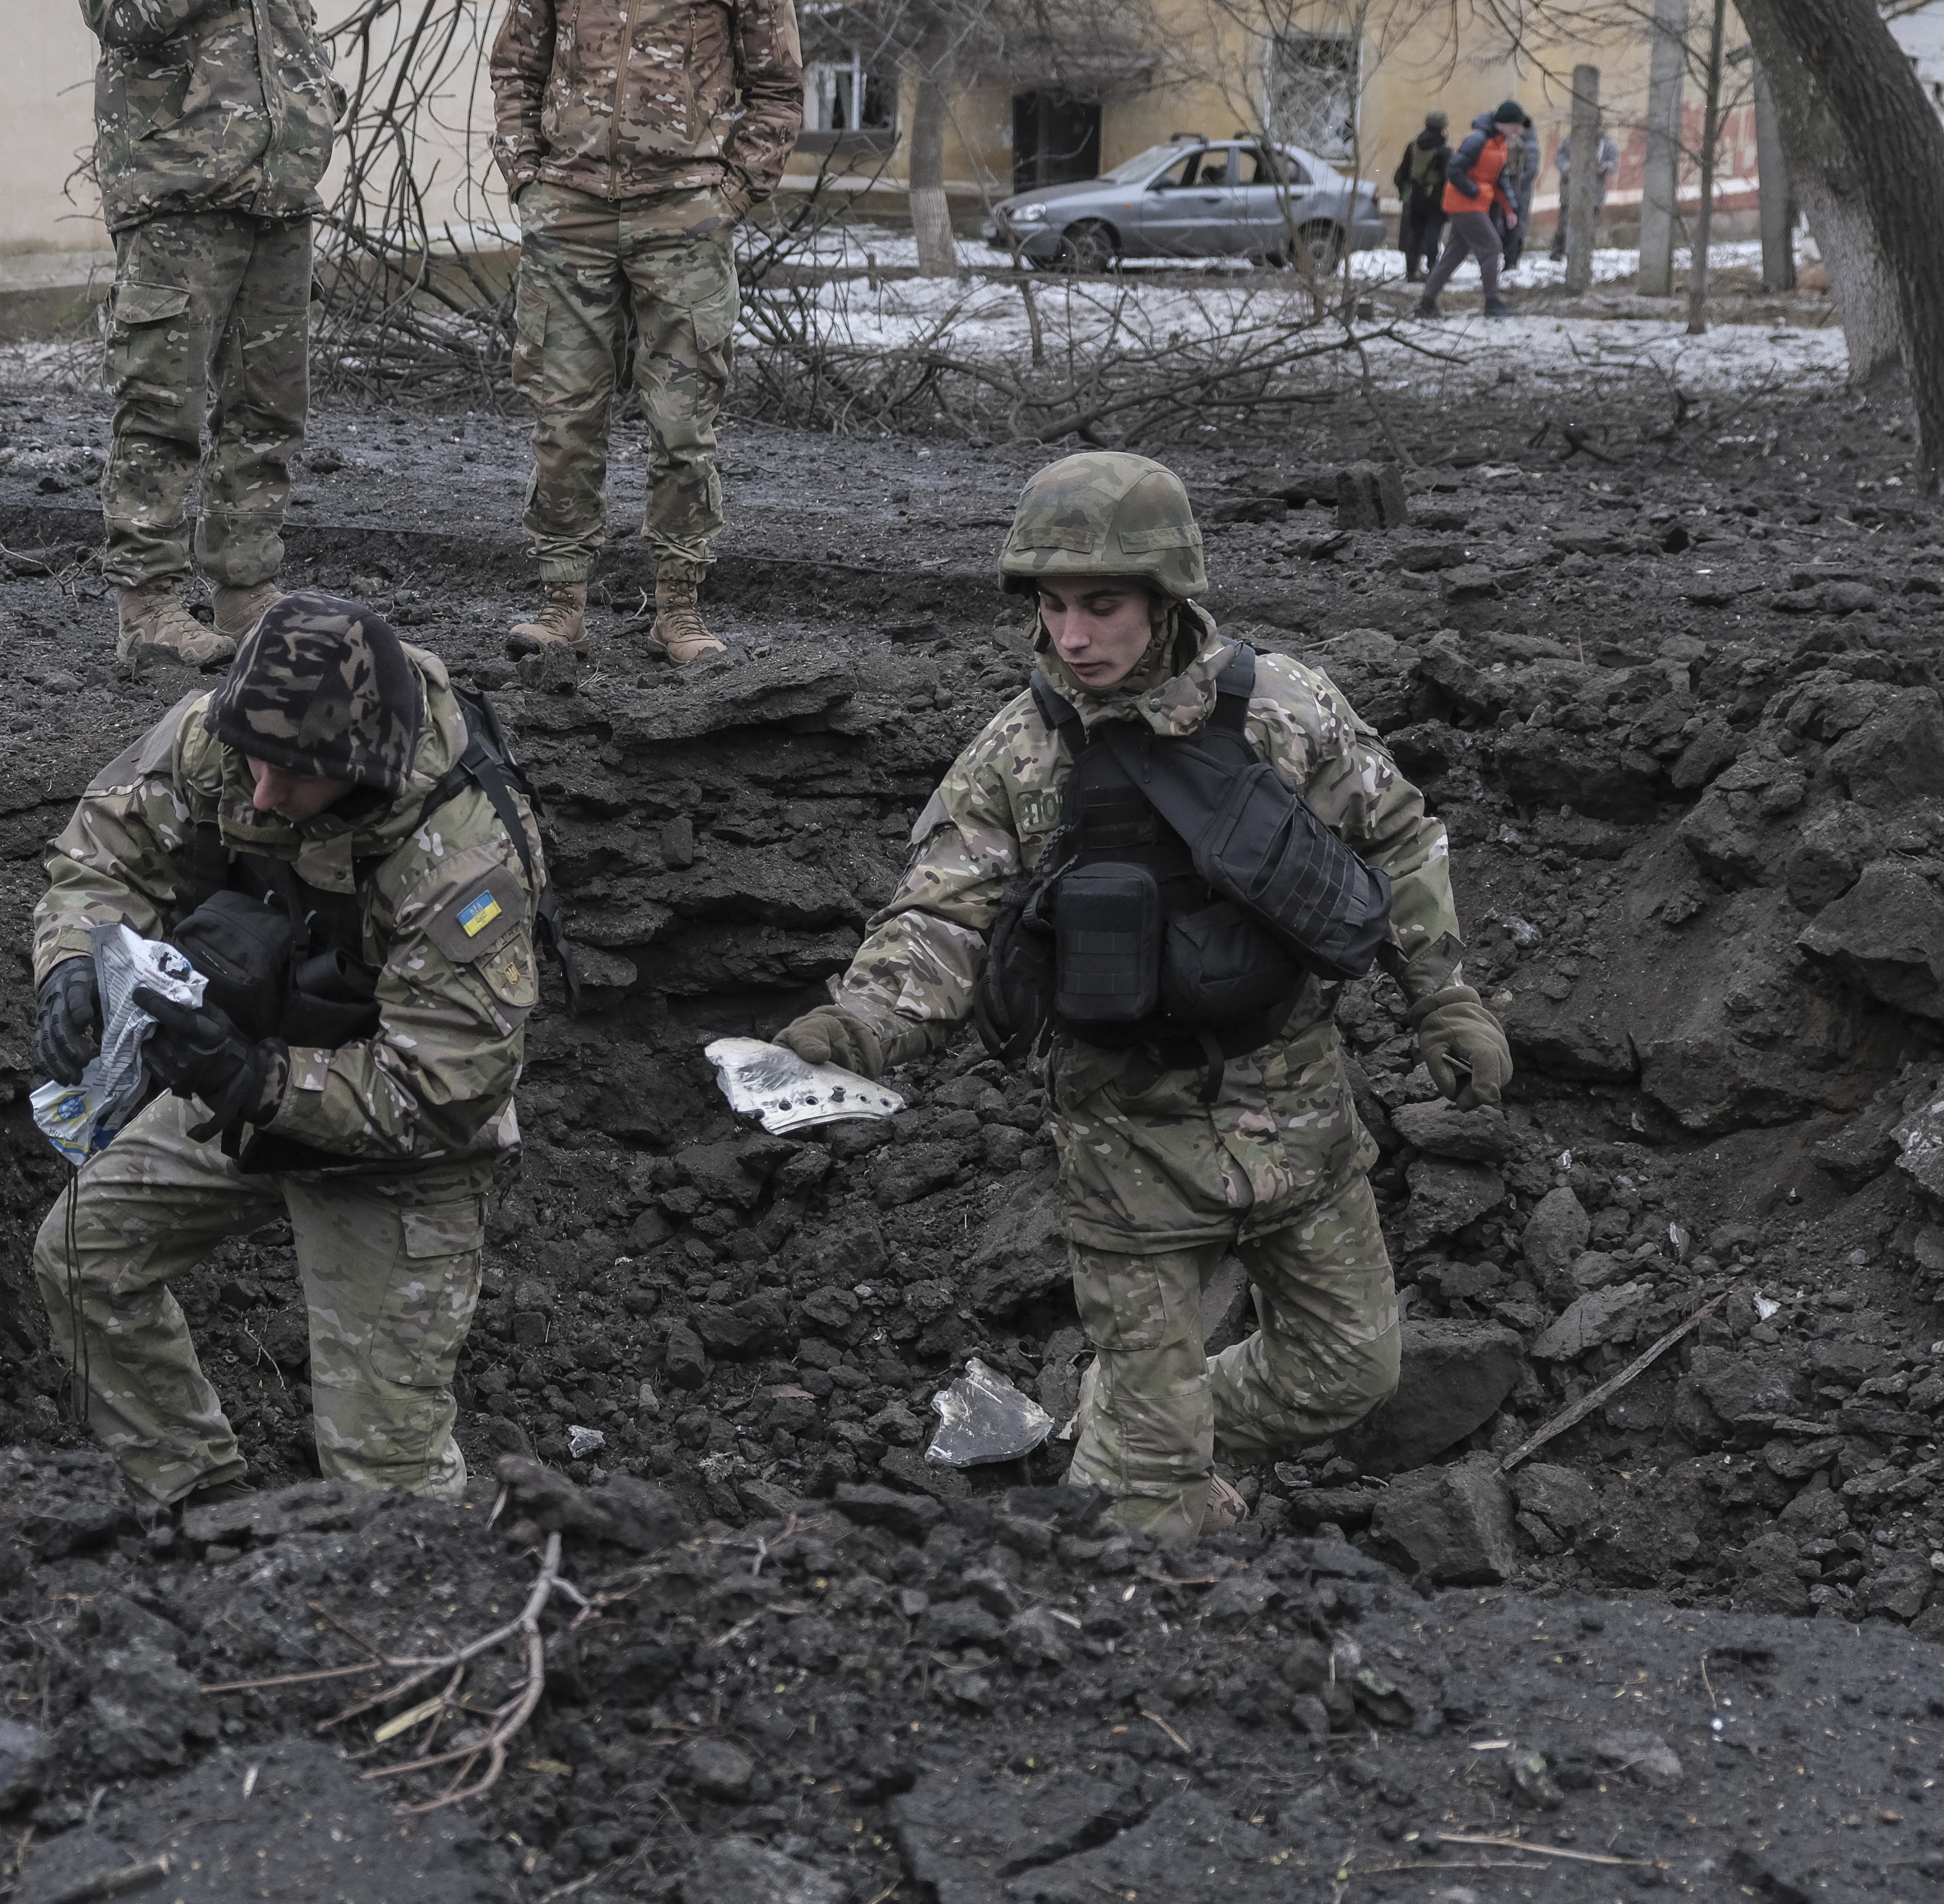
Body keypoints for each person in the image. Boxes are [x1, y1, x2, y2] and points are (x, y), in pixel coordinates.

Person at [777, 452, 1508, 1540]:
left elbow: (1397, 836)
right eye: (1053, 606)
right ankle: (1145, 1528)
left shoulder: (1285, 712)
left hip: (1294, 1110)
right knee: (1157, 1501)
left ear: (1167, 598)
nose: (1072, 636)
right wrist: (863, 1026)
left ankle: (1118, 1441)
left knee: (1350, 1369)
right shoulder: (1020, 755)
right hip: (1126, 1140)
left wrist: (1446, 998)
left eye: (1102, 606)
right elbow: (938, 915)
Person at [28, 593, 551, 1512]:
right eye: (253, 765)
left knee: (384, 1479)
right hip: (244, 1067)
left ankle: (417, 1618)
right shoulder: (228, 735)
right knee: (82, 1252)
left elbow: (447, 1089)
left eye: (295, 779)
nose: (263, 794)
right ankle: (197, 1505)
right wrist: (74, 957)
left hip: (399, 1148)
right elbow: (104, 852)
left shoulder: (464, 860)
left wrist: (257, 1080)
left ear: (365, 767)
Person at [489, 0, 804, 666]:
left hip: (683, 212)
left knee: (682, 422)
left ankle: (677, 610)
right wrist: (524, 176)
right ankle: (561, 605)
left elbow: (777, 88)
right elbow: (516, 66)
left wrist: (733, 193)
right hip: (568, 208)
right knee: (563, 414)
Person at [82, 0, 339, 674]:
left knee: (269, 407)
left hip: (280, 190)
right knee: (161, 406)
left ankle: (247, 590)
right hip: (178, 187)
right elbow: (121, 17)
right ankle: (147, 610)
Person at [1416, 99, 1531, 318]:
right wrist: (1473, 191)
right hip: (1463, 204)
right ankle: (1492, 302)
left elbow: (1500, 181)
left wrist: (1510, 210)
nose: (1519, 130)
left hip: (1475, 204)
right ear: (1504, 124)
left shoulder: (1501, 146)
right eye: (1516, 125)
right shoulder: (1478, 140)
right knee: (1492, 245)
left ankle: (1426, 303)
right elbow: (1454, 169)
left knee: (1454, 254)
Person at [1390, 111, 1449, 284]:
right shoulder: (1444, 151)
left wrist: (1406, 191)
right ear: (1443, 127)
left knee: (1415, 235)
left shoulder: (1413, 146)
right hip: (1435, 199)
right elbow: (1449, 178)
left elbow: (1400, 175)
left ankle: (1410, 272)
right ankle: (1433, 272)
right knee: (1433, 235)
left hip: (1415, 199)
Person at [1550, 130, 1619, 262]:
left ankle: (1585, 255)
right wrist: (1569, 168)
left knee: (1591, 225)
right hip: (1570, 191)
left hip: (1595, 192)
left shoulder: (1606, 142)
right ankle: (1558, 253)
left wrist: (1605, 167)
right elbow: (1560, 158)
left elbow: (1614, 162)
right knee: (1565, 223)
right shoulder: (1571, 139)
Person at [1500, 119, 1542, 271]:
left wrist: (1514, 187)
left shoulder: (1530, 147)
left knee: (1516, 227)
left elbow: (1530, 172)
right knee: (1506, 226)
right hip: (1510, 193)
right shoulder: (1512, 143)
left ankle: (1511, 262)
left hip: (1521, 195)